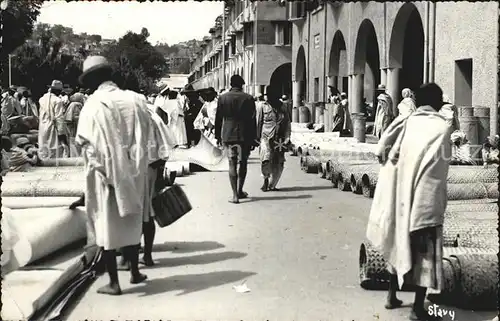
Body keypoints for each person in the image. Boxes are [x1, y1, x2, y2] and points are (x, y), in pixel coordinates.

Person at [366, 82, 450, 321]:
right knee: (424, 253)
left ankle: (391, 296)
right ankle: (417, 309)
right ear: (436, 103)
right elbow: (440, 169)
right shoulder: (442, 127)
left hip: (400, 198)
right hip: (426, 201)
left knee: (398, 241)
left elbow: (382, 151)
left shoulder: (407, 121)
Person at [75, 55, 150, 295]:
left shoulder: (93, 105)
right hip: (136, 170)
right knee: (131, 220)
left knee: (106, 224)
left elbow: (87, 144)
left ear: (92, 80)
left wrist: (103, 171)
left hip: (106, 173)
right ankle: (135, 272)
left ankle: (114, 283)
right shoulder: (136, 100)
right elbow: (147, 135)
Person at [215, 74, 257, 204]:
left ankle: (234, 196)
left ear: (230, 84)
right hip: (244, 134)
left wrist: (217, 135)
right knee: (243, 162)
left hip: (228, 133)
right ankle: (240, 190)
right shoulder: (248, 98)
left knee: (231, 163)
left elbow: (218, 119)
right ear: (241, 85)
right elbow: (252, 119)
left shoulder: (222, 98)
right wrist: (253, 137)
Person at [257, 85, 291, 192]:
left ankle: (273, 184)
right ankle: (265, 179)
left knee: (279, 161)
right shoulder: (263, 106)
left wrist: (287, 137)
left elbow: (287, 123)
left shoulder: (283, 107)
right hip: (266, 137)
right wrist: (256, 138)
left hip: (279, 138)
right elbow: (259, 122)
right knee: (266, 159)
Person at [38, 80, 69, 159]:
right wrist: (61, 133)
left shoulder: (42, 99)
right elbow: (59, 118)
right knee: (54, 152)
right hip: (52, 128)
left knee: (44, 149)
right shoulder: (57, 101)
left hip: (42, 127)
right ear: (57, 90)